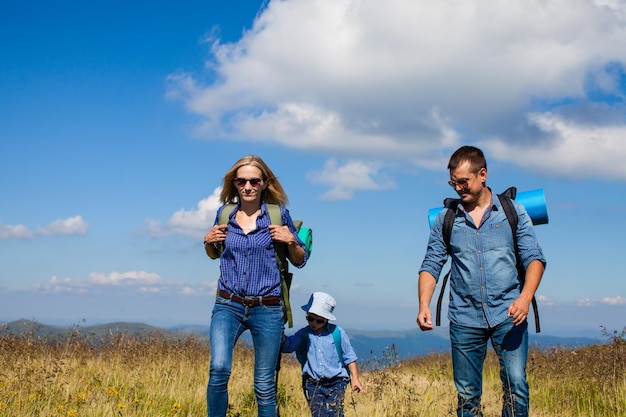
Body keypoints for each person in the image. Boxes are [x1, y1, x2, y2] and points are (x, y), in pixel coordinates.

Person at [416, 146, 546, 417]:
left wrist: (524, 299)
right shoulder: (446, 219)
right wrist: (424, 305)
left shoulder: (513, 212)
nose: (458, 188)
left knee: (516, 387)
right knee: (467, 396)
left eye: (463, 181)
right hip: (464, 318)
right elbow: (431, 264)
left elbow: (535, 259)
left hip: (509, 315)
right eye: (454, 182)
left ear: (482, 174)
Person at [203, 155, 308, 417]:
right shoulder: (225, 213)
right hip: (228, 304)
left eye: (254, 181)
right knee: (218, 368)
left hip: (268, 308)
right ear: (234, 183)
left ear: (264, 183)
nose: (247, 186)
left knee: (264, 384)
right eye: (241, 181)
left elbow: (300, 260)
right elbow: (215, 253)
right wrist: (207, 241)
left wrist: (290, 240)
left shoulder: (277, 214)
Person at [281, 291, 364, 417]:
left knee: (335, 413)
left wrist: (355, 379)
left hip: (337, 382)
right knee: (318, 414)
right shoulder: (304, 334)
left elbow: (349, 356)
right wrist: (280, 337)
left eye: (319, 320)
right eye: (310, 318)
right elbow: (289, 345)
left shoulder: (337, 333)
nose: (314, 323)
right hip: (313, 383)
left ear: (326, 319)